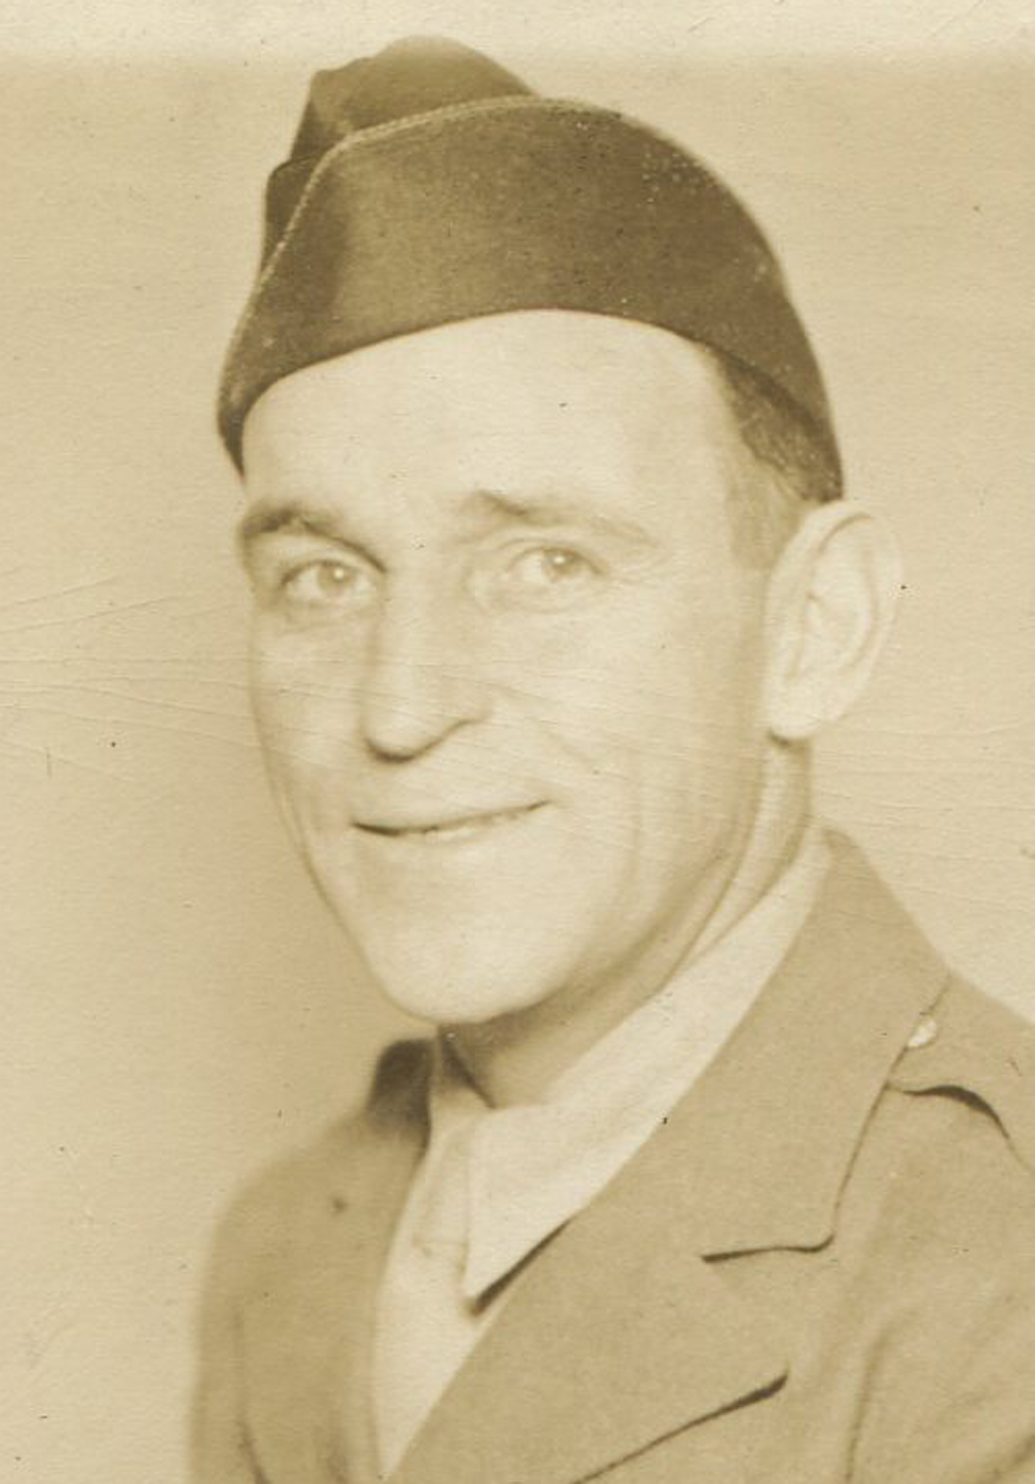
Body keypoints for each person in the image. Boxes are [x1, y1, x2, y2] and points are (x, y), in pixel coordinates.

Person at [191, 36, 1035, 1484]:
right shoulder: (289, 1244)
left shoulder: (996, 1273)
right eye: (324, 577)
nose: (398, 708)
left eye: (545, 563)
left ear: (813, 628)